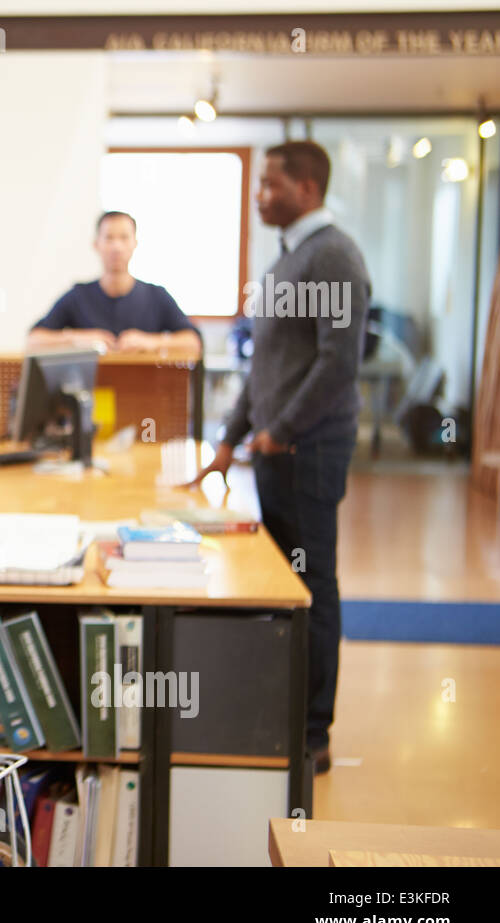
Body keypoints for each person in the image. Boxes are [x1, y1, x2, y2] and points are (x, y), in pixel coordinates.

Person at [188, 140, 370, 776]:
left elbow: (337, 363)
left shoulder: (336, 256)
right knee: (286, 585)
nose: (259, 195)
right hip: (276, 451)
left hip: (308, 452)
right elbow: (264, 366)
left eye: (270, 184)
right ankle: (289, 710)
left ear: (308, 188)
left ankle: (314, 733)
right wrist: (231, 440)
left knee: (312, 585)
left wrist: (278, 430)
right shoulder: (290, 258)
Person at [27, 211, 202, 355]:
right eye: (109, 238)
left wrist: (151, 342)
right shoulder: (79, 296)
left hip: (144, 391)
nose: (116, 247)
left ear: (134, 243)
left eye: (124, 238)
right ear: (96, 244)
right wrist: (78, 339)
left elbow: (193, 342)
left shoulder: (156, 296)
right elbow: (34, 340)